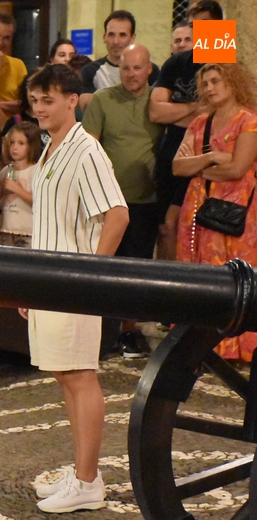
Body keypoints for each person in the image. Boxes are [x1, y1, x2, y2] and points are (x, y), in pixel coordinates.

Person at [23, 64, 129, 513]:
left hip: (73, 283)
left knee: (80, 376)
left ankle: (87, 482)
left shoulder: (86, 150)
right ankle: (84, 470)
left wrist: (92, 276)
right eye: (34, 101)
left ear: (73, 99)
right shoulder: (49, 148)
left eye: (48, 100)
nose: (40, 109)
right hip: (50, 282)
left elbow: (118, 214)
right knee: (65, 376)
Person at [82, 44, 163, 359]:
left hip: (146, 200)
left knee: (137, 268)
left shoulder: (159, 101)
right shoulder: (103, 99)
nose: (131, 74)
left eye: (137, 68)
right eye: (126, 68)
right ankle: (100, 331)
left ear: (149, 69)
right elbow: (88, 147)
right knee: (104, 266)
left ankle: (129, 331)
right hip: (108, 202)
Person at [173, 63, 257, 362]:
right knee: (199, 270)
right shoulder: (200, 123)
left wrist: (199, 167)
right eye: (205, 82)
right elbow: (177, 167)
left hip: (237, 208)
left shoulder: (249, 121)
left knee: (235, 274)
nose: (209, 87)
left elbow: (237, 168)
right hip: (198, 206)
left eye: (216, 81)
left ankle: (234, 344)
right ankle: (199, 340)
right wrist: (211, 157)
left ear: (232, 82)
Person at [150, 1, 224, 261]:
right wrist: (196, 108)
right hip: (174, 150)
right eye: (194, 26)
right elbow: (156, 112)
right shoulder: (176, 63)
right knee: (166, 227)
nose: (198, 31)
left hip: (210, 153)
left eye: (205, 25)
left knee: (200, 227)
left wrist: (179, 110)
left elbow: (222, 113)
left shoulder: (226, 64)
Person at [79, 10, 159, 110]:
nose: (116, 41)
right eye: (111, 35)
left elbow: (156, 105)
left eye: (122, 35)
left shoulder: (148, 69)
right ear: (104, 37)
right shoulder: (90, 70)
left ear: (132, 38)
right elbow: (86, 106)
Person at [0, 121, 41, 248]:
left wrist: (17, 189)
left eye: (21, 143)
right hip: (7, 230)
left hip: (28, 232)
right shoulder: (6, 170)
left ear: (32, 146)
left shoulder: (36, 171)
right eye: (12, 143)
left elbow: (39, 202)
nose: (14, 147)